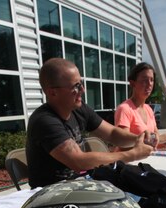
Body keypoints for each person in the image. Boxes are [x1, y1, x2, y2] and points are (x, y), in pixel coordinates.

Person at [26, 58, 152, 188]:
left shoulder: (78, 109)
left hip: (77, 185)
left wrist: (139, 138)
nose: (83, 90)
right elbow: (79, 161)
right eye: (76, 86)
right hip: (50, 195)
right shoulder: (44, 121)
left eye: (81, 83)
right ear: (53, 92)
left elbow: (113, 134)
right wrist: (132, 154)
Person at [114, 62, 166, 150]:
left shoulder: (149, 110)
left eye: (152, 80)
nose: (149, 83)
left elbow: (154, 142)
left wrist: (165, 143)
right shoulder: (124, 109)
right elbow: (123, 142)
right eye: (144, 80)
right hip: (129, 162)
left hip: (146, 160)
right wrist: (159, 139)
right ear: (133, 83)